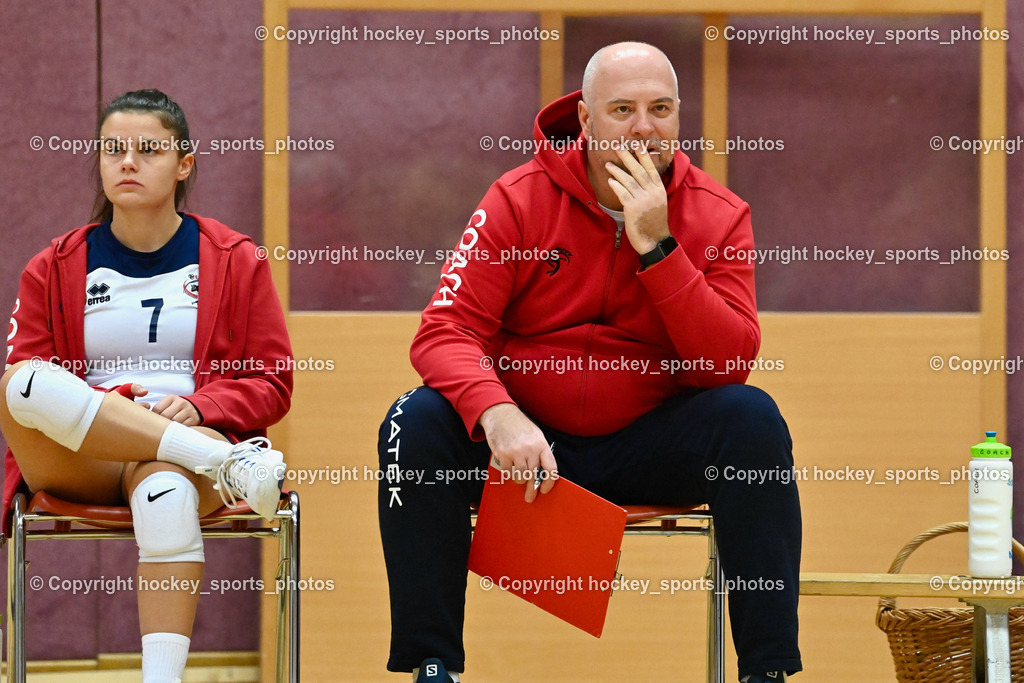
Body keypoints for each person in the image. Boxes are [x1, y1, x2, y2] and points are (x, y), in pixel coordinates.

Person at [378, 43, 801, 682]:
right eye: (622, 109)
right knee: (413, 420)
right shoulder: (517, 199)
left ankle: (766, 672)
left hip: (646, 443)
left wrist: (659, 247)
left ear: (680, 117)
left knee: (752, 419)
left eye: (660, 109)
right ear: (585, 120)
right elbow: (444, 331)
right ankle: (434, 666)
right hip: (528, 444)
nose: (643, 128)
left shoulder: (719, 214)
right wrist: (497, 414)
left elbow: (726, 364)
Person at [0, 89, 293, 683]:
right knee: (20, 385)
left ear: (185, 164)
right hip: (82, 453)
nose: (127, 163)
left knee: (168, 502)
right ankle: (222, 460)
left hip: (173, 461)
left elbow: (273, 382)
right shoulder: (53, 266)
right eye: (113, 151)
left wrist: (199, 403)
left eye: (147, 150)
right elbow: (26, 392)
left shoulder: (235, 260)